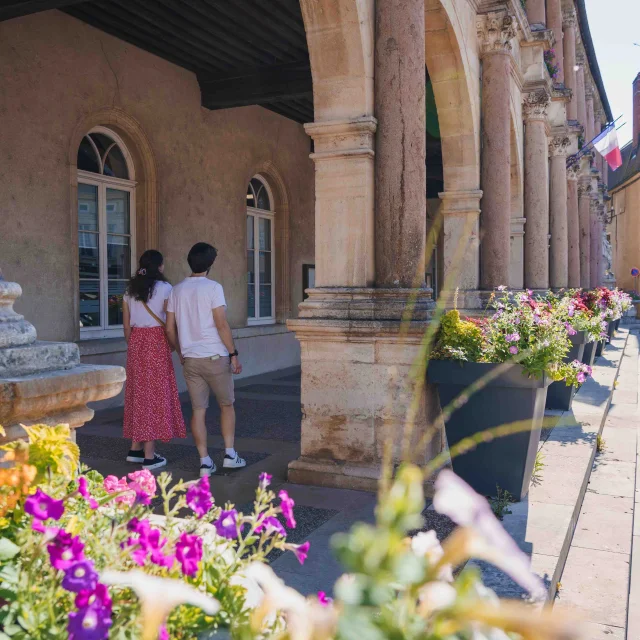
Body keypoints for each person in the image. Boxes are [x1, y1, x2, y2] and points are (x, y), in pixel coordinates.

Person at [166, 242, 246, 477]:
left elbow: (170, 329)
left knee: (198, 410)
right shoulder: (213, 288)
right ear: (210, 264)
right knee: (226, 405)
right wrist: (233, 354)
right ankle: (230, 454)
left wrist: (181, 351)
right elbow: (221, 323)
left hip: (190, 359)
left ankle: (204, 461)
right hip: (215, 356)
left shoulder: (176, 290)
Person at [122, 250, 186, 470]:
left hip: (136, 342)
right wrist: (176, 347)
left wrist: (134, 345)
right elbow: (170, 326)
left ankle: (135, 448)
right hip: (156, 341)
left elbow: (126, 326)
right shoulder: (166, 289)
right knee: (154, 396)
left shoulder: (130, 290)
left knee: (138, 393)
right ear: (159, 266)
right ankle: (150, 456)